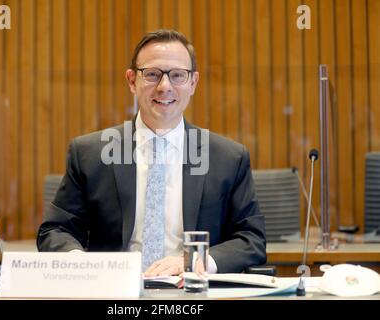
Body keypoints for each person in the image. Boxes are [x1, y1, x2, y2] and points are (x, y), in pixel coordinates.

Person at [37, 29, 266, 276]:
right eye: (152, 74)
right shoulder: (89, 154)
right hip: (114, 292)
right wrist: (85, 267)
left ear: (193, 83)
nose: (164, 86)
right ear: (132, 81)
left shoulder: (228, 158)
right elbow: (56, 231)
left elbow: (251, 239)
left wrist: (198, 261)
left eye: (177, 75)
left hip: (193, 292)